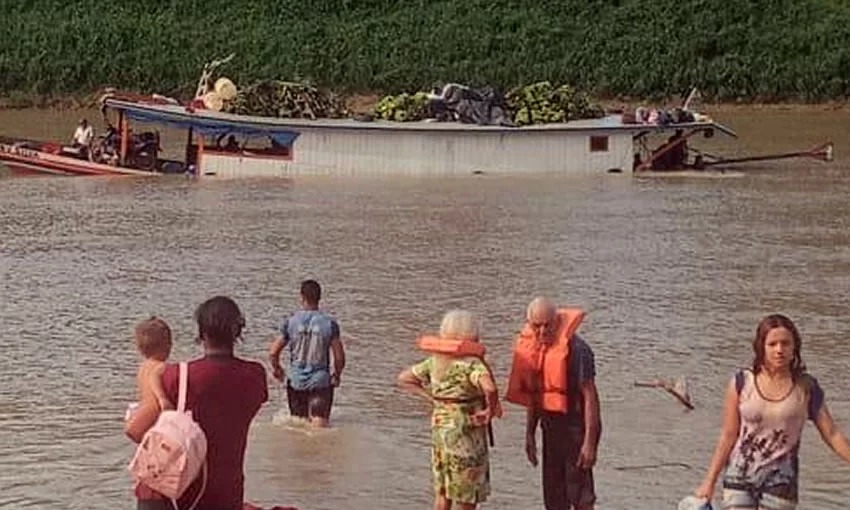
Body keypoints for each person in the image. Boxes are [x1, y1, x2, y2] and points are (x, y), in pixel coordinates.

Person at [126, 296, 269, 510]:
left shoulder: (177, 376)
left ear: (201, 333)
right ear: (238, 332)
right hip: (224, 495)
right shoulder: (255, 376)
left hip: (169, 496)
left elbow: (135, 430)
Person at [695, 313, 850, 509]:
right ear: (761, 347)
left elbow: (832, 434)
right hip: (739, 473)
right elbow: (728, 435)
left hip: (781, 479)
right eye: (772, 344)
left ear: (795, 347)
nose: (779, 350)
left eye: (785, 343)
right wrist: (709, 482)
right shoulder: (741, 383)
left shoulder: (806, 388)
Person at [397, 309, 502, 510]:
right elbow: (489, 387)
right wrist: (489, 410)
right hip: (466, 435)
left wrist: (432, 397)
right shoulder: (471, 364)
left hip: (440, 430)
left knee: (443, 494)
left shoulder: (435, 361)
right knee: (466, 496)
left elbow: (404, 378)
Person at [505, 297, 601, 510]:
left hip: (576, 429)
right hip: (550, 430)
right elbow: (536, 396)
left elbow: (591, 397)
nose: (541, 332)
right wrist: (530, 434)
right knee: (554, 497)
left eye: (547, 325)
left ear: (556, 321)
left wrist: (590, 442)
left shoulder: (578, 350)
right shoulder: (534, 350)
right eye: (536, 326)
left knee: (581, 496)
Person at [268, 279, 345, 428]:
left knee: (297, 427)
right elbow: (339, 357)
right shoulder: (329, 324)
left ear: (301, 297)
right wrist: (337, 375)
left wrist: (278, 369)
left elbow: (273, 353)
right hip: (320, 383)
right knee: (319, 431)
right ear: (319, 298)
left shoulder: (290, 322)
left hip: (295, 382)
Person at [125, 317, 173, 421]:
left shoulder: (143, 367)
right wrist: (162, 398)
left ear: (139, 348)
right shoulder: (161, 367)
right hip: (155, 413)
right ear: (168, 345)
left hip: (143, 410)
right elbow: (154, 378)